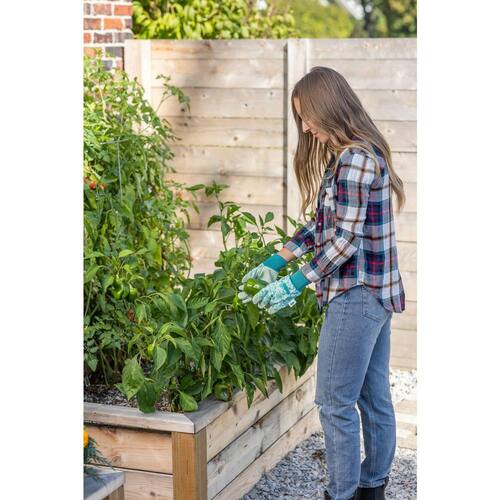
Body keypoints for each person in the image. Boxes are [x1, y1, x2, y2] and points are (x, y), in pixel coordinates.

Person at [238, 66, 406, 500]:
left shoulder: (353, 162)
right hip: (376, 295)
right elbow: (321, 227)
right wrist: (277, 260)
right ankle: (372, 488)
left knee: (333, 403)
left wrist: (294, 283)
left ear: (329, 107)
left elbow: (343, 243)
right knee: (373, 399)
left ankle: (342, 493)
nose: (306, 127)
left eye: (308, 116)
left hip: (356, 295)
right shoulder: (357, 155)